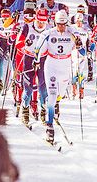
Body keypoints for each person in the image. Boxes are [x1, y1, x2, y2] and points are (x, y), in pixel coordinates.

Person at [35, 10, 85, 144]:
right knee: (51, 94)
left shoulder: (73, 33)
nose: (61, 27)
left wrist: (80, 45)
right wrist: (37, 60)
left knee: (60, 94)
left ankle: (56, 103)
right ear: (55, 22)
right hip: (51, 64)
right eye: (58, 24)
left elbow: (83, 52)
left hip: (65, 66)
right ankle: (49, 126)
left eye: (63, 24)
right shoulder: (48, 33)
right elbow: (38, 49)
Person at [19, 8, 50, 125]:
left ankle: (43, 110)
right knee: (28, 87)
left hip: (43, 59)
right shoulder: (27, 27)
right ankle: (25, 110)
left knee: (43, 87)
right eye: (39, 20)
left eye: (43, 21)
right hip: (29, 58)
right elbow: (18, 43)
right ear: (35, 18)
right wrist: (24, 44)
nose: (41, 23)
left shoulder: (50, 29)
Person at [0, 9, 17, 93]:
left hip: (11, 41)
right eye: (4, 17)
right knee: (1, 60)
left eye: (7, 17)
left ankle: (14, 81)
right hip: (2, 41)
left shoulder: (13, 21)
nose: (5, 19)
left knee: (13, 61)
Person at [70, 12, 90, 100]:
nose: (79, 23)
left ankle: (81, 90)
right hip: (73, 53)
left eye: (81, 21)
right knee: (74, 72)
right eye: (77, 21)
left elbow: (89, 41)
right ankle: (73, 90)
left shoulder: (85, 30)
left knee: (81, 72)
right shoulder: (71, 28)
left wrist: (90, 49)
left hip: (82, 53)